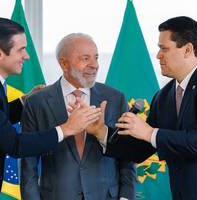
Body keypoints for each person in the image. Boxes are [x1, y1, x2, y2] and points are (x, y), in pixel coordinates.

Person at [90, 16, 197, 200]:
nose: (158, 55)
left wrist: (149, 132)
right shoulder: (163, 96)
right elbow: (140, 150)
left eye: (164, 49)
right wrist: (101, 131)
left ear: (188, 49)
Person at [0, 18, 101, 200]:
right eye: (21, 50)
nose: (26, 56)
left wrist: (25, 101)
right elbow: (15, 145)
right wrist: (68, 128)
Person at [20, 33, 136, 200]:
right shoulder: (37, 102)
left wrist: (126, 197)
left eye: (96, 58)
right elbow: (27, 165)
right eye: (85, 59)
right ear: (64, 64)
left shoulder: (115, 98)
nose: (94, 65)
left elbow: (127, 156)